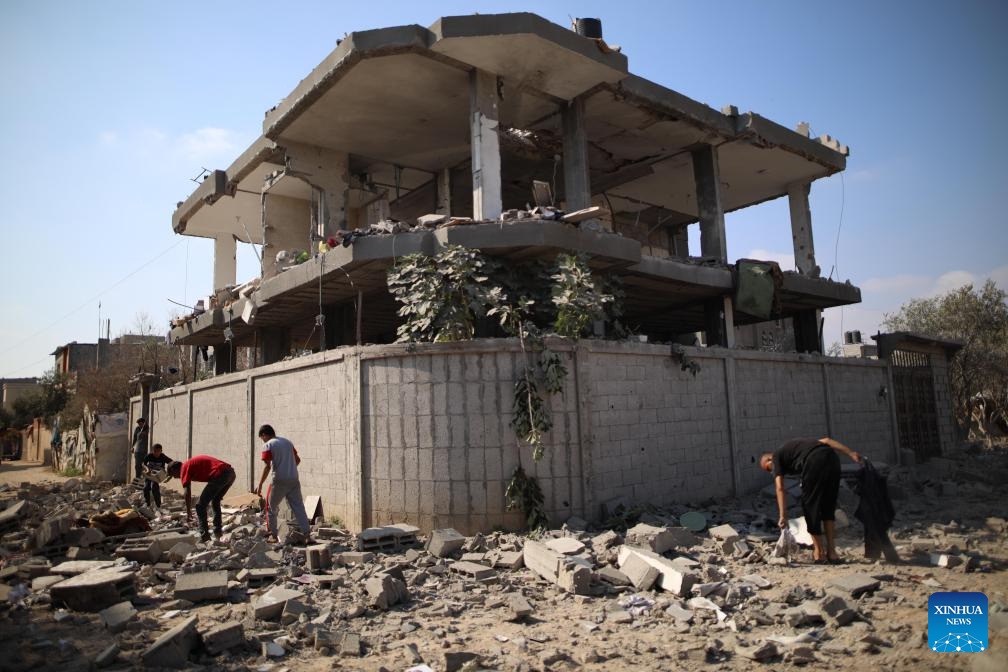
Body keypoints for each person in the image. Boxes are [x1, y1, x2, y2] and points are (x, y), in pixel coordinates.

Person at [759, 437, 861, 564]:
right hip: (832, 459)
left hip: (814, 461)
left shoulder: (776, 457)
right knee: (828, 507)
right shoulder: (799, 445)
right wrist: (851, 453)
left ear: (769, 459)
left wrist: (783, 516)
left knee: (810, 508)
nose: (772, 472)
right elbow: (827, 440)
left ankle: (819, 553)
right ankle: (832, 553)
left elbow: (780, 488)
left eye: (769, 469)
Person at [254, 424, 311, 543]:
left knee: (271, 507)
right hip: (294, 478)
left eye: (261, 438)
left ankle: (273, 536)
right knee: (298, 507)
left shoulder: (268, 445)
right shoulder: (287, 442)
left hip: (279, 480)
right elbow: (298, 460)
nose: (262, 441)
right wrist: (289, 468)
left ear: (264, 435)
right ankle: (307, 536)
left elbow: (267, 467)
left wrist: (259, 485)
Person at [166, 455, 236, 542]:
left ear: (174, 469)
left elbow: (187, 491)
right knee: (215, 501)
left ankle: (205, 537)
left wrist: (188, 511)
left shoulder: (184, 468)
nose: (175, 478)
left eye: (173, 475)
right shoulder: (188, 465)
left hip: (221, 475)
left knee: (200, 506)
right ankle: (218, 533)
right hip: (230, 473)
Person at [141, 443, 173, 509]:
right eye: (155, 451)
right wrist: (147, 469)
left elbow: (172, 463)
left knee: (155, 488)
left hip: (158, 476)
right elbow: (143, 464)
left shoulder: (163, 456)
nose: (156, 453)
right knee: (146, 488)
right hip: (150, 474)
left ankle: (158, 505)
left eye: (158, 451)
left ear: (161, 451)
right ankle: (148, 504)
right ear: (152, 451)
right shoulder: (149, 456)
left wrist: (169, 474)